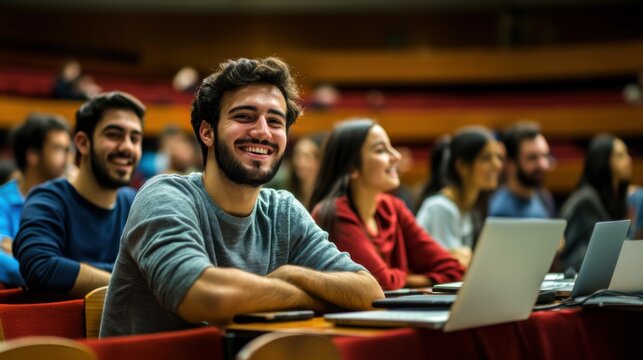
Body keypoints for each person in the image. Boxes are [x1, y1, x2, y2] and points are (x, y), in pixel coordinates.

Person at [100, 57, 383, 337]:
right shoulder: (164, 195)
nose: (262, 131)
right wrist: (314, 296)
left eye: (275, 121)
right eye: (244, 116)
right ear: (207, 132)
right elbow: (203, 297)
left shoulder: (282, 210)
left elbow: (369, 293)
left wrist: (294, 275)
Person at [13, 91, 144, 296]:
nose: (127, 146)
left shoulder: (136, 202)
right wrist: (130, 280)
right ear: (83, 143)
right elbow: (40, 267)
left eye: (135, 138)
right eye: (113, 135)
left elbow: (157, 270)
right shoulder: (47, 200)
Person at [309, 119, 464, 291]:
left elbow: (454, 270)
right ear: (351, 168)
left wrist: (405, 278)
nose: (396, 156)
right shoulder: (335, 212)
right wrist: (409, 274)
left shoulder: (393, 207)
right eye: (381, 150)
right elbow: (379, 283)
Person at [0, 113, 71, 287]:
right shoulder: (2, 201)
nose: (67, 159)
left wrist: (22, 254)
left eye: (68, 149)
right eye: (58, 148)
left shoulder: (70, 201)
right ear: (32, 154)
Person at [416, 127, 503, 268]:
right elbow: (451, 269)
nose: (497, 165)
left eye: (498, 157)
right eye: (486, 158)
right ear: (461, 165)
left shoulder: (472, 207)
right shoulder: (441, 207)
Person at [559, 134, 632, 272]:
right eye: (620, 155)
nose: (628, 160)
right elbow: (568, 252)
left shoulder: (619, 198)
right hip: (579, 276)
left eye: (627, 154)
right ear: (603, 160)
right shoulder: (585, 199)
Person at [489, 122, 556, 219]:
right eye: (532, 158)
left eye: (544, 156)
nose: (543, 165)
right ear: (510, 163)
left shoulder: (544, 199)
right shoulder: (497, 211)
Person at [288, 133, 325, 209]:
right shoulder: (287, 192)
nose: (301, 163)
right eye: (297, 155)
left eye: (308, 157)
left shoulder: (327, 200)